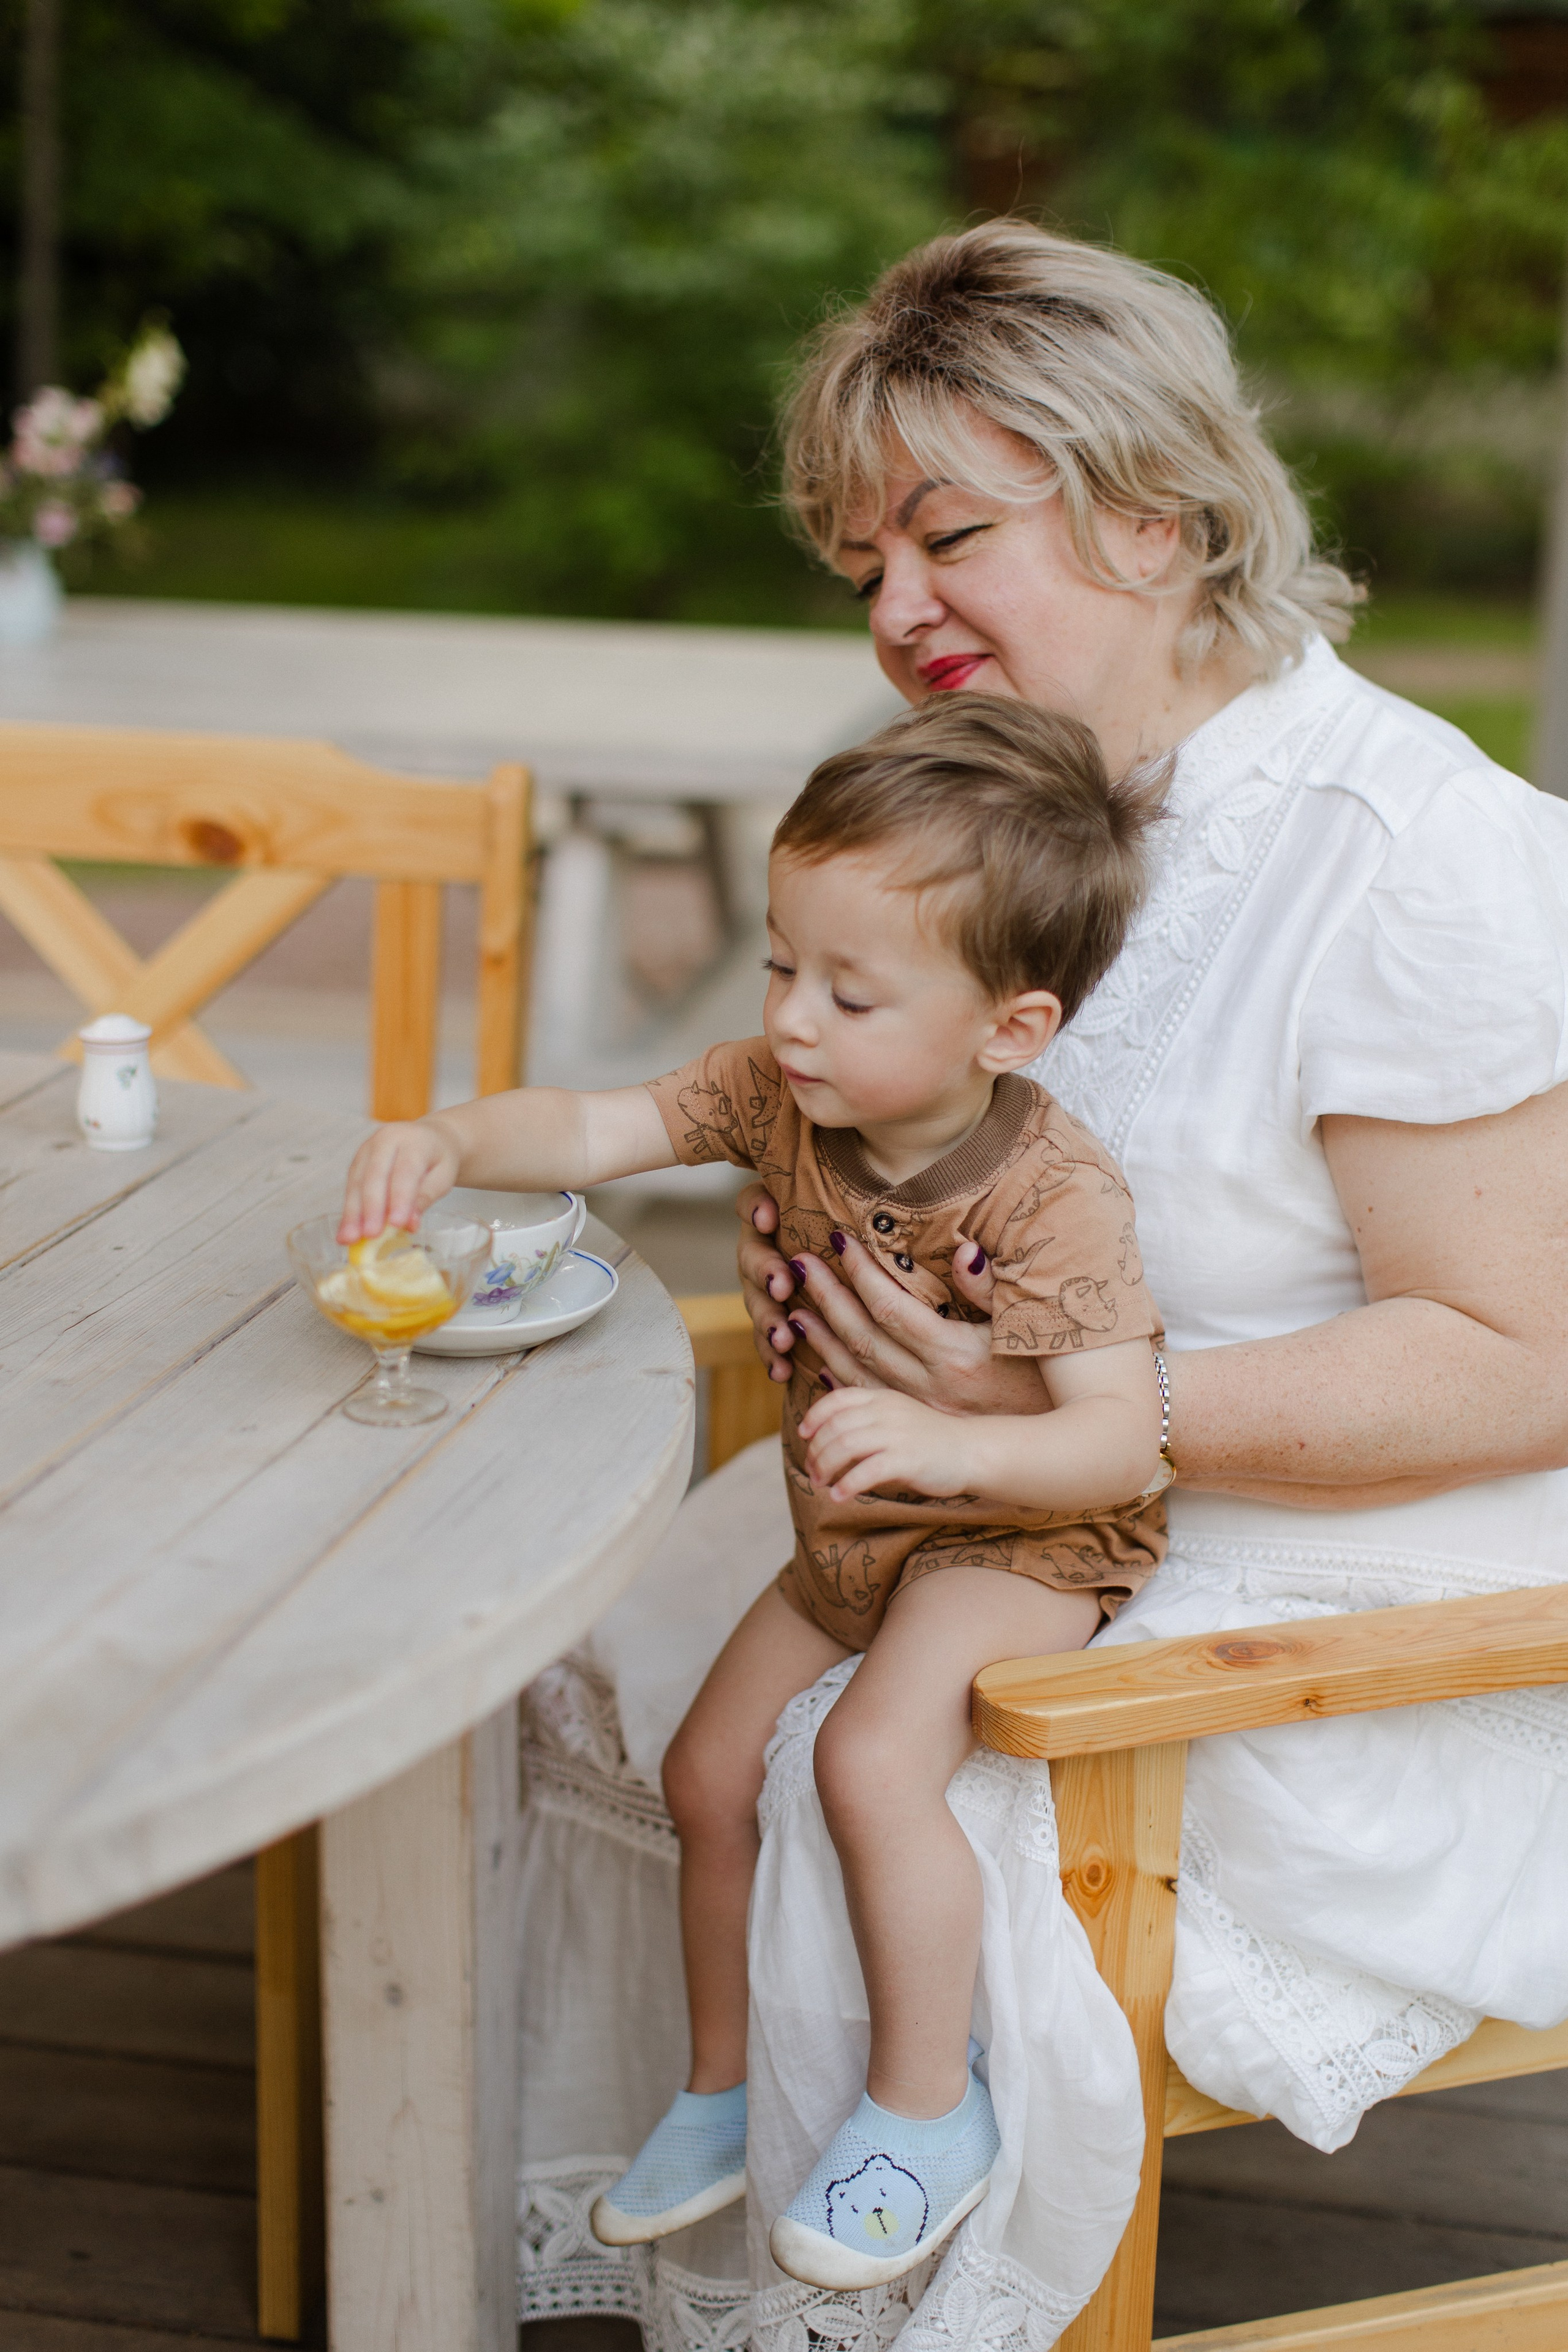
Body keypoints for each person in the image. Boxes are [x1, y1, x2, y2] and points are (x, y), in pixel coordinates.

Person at [516, 219, 1568, 2352]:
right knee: (539, 1624)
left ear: (1162, 512)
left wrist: (1075, 1423)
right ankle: (701, 2139)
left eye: (951, 540)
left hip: (1336, 1574)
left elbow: (1522, 1357)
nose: (899, 615)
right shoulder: (1018, 817)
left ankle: (914, 2206)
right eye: (862, 568)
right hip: (969, 1498)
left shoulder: (1409, 852)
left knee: (865, 1763)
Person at [339, 692, 1173, 2290]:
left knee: (868, 1761)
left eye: (850, 992)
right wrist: (450, 1136)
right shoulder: (782, 1094)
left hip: (1024, 1536)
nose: (793, 1018)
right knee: (709, 1766)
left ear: (1012, 1028)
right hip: (849, 1530)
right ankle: (720, 2092)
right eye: (785, 965)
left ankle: (929, 2111)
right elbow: (596, 1121)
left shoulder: (1053, 1193)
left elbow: (1120, 1441)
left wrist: (954, 1448)